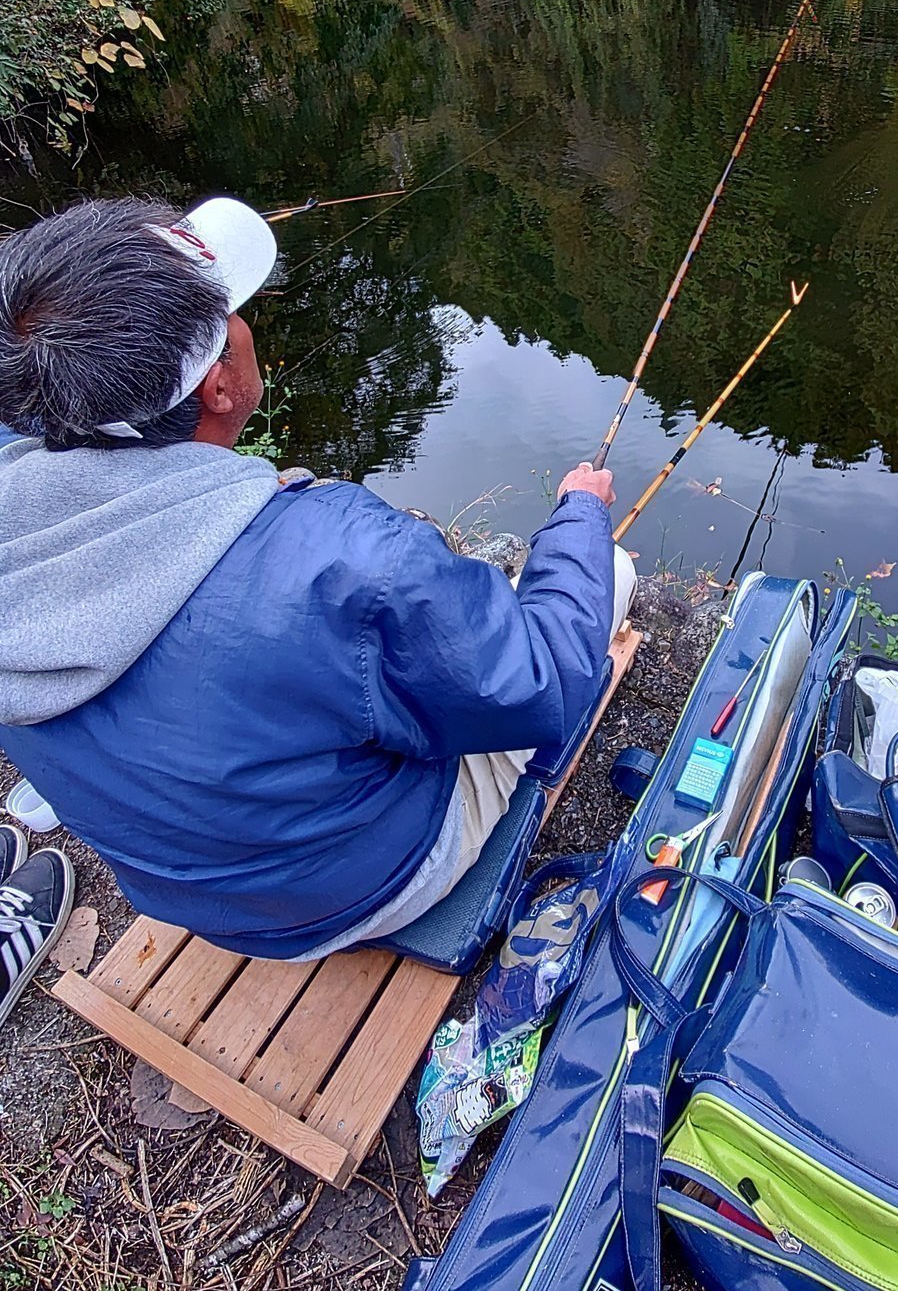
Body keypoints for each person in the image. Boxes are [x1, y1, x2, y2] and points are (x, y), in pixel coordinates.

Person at [0, 195, 634, 1019]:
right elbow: (546, 677)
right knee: (600, 578)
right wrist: (580, 514)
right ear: (221, 383)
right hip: (350, 889)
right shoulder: (344, 562)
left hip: (188, 891)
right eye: (232, 314)